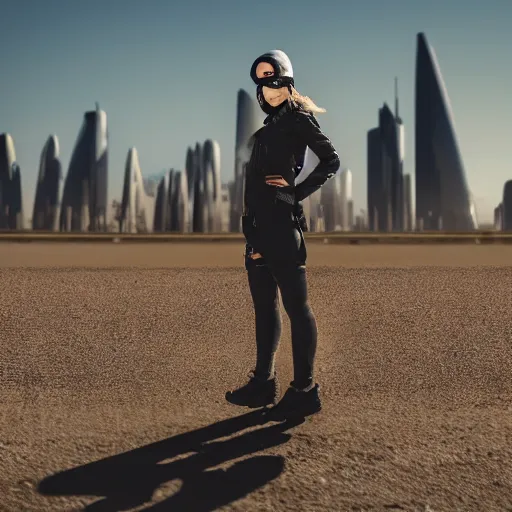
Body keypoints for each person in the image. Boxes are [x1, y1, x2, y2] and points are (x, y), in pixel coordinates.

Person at [225, 49, 340, 420]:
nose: (269, 90)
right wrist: (249, 229)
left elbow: (331, 160)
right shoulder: (266, 130)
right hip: (258, 229)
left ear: (287, 82)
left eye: (274, 82)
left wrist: (294, 193)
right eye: (262, 84)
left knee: (296, 307)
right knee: (264, 308)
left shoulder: (298, 120)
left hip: (282, 227)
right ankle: (263, 384)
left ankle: (305, 390)